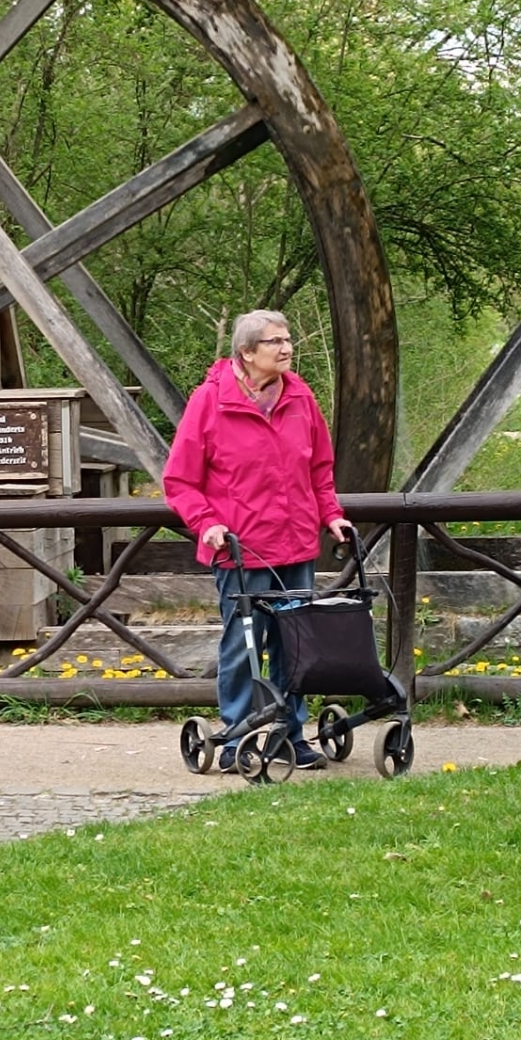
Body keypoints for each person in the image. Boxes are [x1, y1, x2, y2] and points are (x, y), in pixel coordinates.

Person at [163, 311, 352, 772]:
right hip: (240, 550)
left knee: (296, 646)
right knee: (242, 646)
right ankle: (237, 739)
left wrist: (332, 516)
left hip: (296, 544)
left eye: (288, 340)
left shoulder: (301, 397)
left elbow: (319, 471)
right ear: (247, 352)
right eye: (275, 342)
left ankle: (291, 735)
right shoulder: (209, 402)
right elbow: (179, 481)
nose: (287, 348)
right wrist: (205, 522)